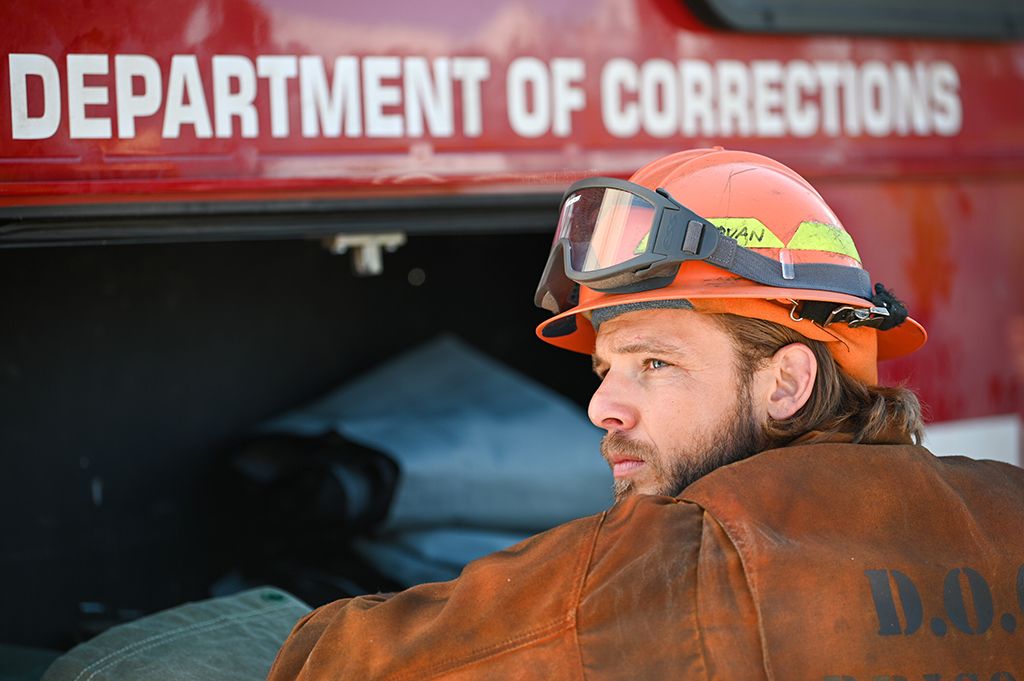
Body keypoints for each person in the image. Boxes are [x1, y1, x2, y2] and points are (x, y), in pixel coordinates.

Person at [266, 149, 1024, 680]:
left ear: (786, 381)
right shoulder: (1007, 508)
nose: (600, 405)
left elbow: (326, 665)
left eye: (654, 363)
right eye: (605, 369)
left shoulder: (655, 562)